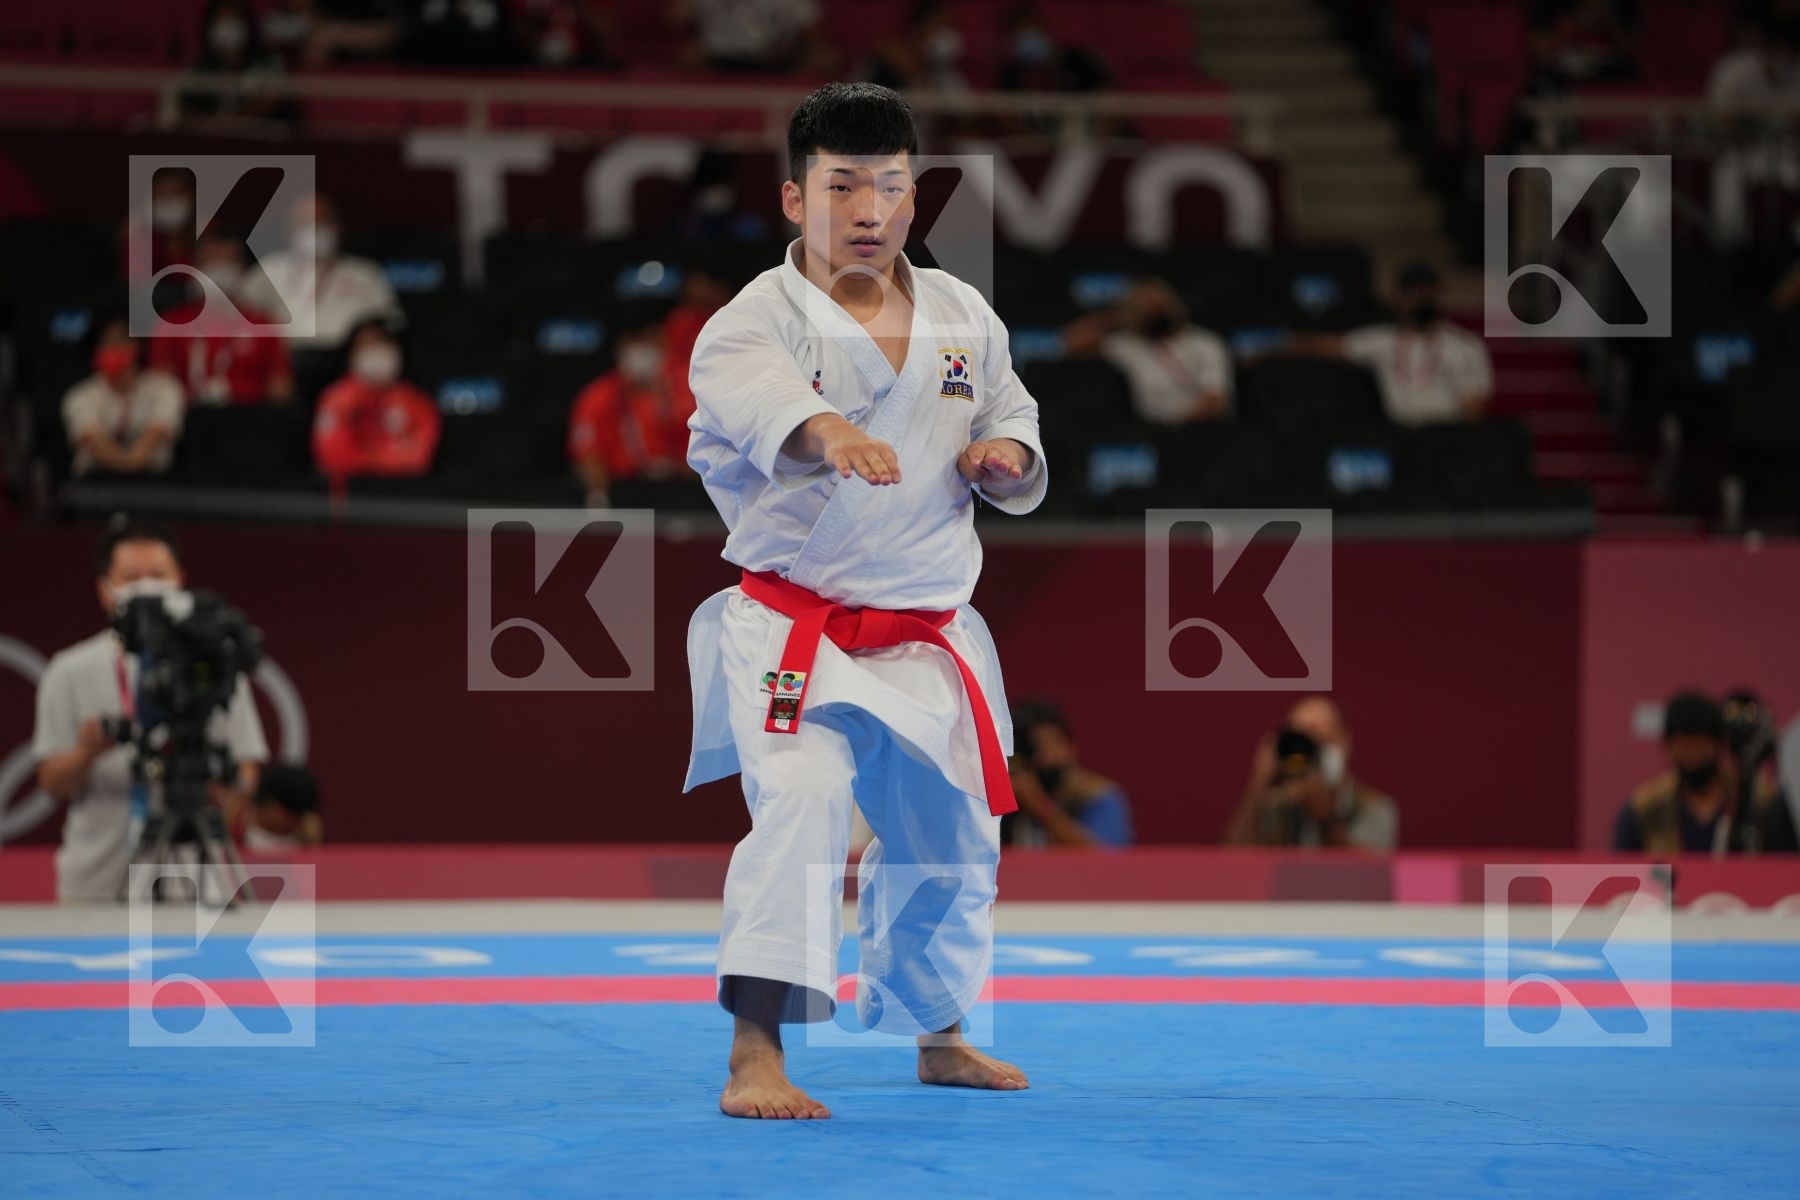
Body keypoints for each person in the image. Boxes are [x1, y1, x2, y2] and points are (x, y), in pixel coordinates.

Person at [683, 82, 1044, 1120]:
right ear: (796, 199)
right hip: (798, 627)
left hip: (927, 633)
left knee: (954, 836)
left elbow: (1012, 412)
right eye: (843, 185)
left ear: (915, 198)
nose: (869, 209)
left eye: (889, 186)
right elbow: (767, 411)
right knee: (800, 796)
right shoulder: (746, 325)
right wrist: (825, 431)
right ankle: (756, 1054)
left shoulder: (962, 313)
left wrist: (1007, 460)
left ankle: (939, 1034)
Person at [31, 517, 268, 902]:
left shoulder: (212, 665)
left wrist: (213, 793)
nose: (147, 588)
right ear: (105, 590)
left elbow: (246, 770)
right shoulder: (69, 670)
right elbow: (50, 782)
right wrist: (86, 752)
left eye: (158, 574)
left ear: (180, 580)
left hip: (195, 881)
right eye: (131, 577)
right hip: (99, 878)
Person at [1297, 262, 1493, 426]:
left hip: (1445, 432)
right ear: (1399, 298)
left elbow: (1472, 409)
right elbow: (1328, 346)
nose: (1420, 302)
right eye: (1413, 295)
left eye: (1427, 295)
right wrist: (1274, 343)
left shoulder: (1464, 346)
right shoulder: (1383, 340)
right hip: (1399, 434)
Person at [1616, 690, 1798, 854]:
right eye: (1684, 748)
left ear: (1719, 744)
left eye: (1701, 748)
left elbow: (1787, 868)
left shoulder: (1761, 801)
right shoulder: (1645, 808)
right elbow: (1624, 878)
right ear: (1667, 747)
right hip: (1666, 891)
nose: (1693, 758)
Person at [1224, 695, 1398, 851]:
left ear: (1343, 741)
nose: (1309, 753)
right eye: (1300, 742)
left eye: (1320, 738)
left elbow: (1372, 873)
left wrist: (1326, 818)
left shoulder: (1374, 807)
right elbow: (1234, 864)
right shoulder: (1278, 805)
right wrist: (1257, 787)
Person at [147, 230, 294, 405]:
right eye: (211, 262)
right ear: (195, 267)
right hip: (189, 418)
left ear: (242, 269)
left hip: (250, 419)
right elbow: (162, 386)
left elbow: (279, 387)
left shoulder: (264, 325)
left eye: (228, 262)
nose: (219, 271)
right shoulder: (172, 324)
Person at [237, 192, 401, 349]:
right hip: (284, 357)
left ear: (338, 227)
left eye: (322, 222)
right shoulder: (270, 268)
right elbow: (241, 309)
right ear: (290, 230)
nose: (313, 229)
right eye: (305, 223)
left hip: (344, 358)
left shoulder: (365, 273)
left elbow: (389, 319)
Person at [567, 309, 693, 507]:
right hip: (624, 493)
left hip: (683, 491)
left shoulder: (687, 392)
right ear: (621, 346)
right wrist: (600, 498)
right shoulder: (597, 397)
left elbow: (706, 452)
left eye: (652, 340)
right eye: (637, 340)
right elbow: (588, 457)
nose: (645, 348)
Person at [1063, 278, 1232, 424]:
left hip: (1201, 429)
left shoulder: (1206, 343)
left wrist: (1177, 428)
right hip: (1151, 432)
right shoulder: (1127, 345)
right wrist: (1118, 313)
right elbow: (1071, 343)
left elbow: (1216, 402)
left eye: (1160, 304)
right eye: (1147, 306)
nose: (1154, 310)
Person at [311, 319, 441, 479]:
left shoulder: (418, 403)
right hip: (349, 493)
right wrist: (383, 458)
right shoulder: (335, 400)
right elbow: (333, 457)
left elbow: (418, 458)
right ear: (352, 355)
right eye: (367, 346)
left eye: (383, 344)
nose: (376, 352)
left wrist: (373, 459)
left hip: (402, 493)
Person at [62, 318, 187, 478]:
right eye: (107, 342)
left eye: (122, 340)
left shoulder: (165, 388)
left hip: (155, 483)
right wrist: (125, 465)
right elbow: (92, 439)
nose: (115, 348)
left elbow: (159, 431)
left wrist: (132, 463)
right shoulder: (80, 395)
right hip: (95, 483)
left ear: (137, 346)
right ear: (96, 352)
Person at [1004, 699, 1134, 847]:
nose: (1042, 757)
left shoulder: (1098, 796)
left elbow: (1105, 859)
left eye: (1049, 745)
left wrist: (1039, 805)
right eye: (1033, 747)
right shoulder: (1003, 796)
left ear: (1071, 748)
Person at [675, 0, 835, 74]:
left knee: (826, 60)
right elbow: (676, 18)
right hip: (716, 59)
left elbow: (812, 29)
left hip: (779, 59)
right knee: (686, 57)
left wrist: (806, 52)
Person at [242, 763, 324, 851]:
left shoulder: (308, 836)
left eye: (298, 817)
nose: (292, 823)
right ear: (268, 804)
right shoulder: (237, 831)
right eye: (287, 815)